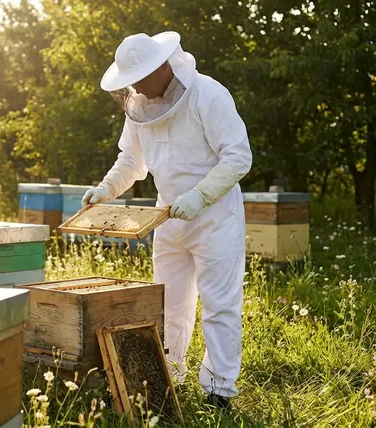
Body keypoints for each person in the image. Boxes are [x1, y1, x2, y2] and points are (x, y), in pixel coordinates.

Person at [82, 31, 252, 410]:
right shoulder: (139, 107)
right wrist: (106, 189)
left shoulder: (208, 94)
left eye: (141, 76)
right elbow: (132, 161)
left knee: (219, 303)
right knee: (169, 303)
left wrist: (201, 196)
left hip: (214, 217)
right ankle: (167, 376)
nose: (136, 87)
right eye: (131, 80)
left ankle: (219, 390)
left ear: (162, 66)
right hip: (167, 218)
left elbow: (238, 157)